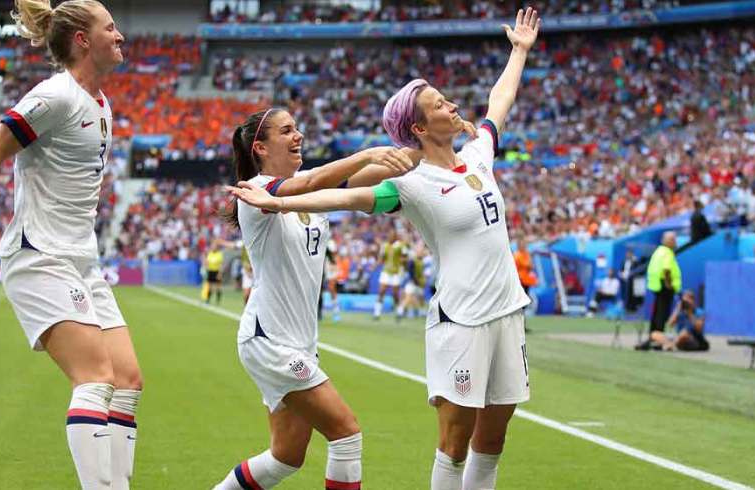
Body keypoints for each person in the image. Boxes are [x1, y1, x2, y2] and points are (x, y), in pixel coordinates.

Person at [228, 8, 540, 489]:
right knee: (430, 441)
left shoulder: (478, 154)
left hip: (507, 311)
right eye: (439, 103)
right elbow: (347, 194)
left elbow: (499, 102)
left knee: (491, 441)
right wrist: (281, 201)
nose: (452, 105)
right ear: (419, 127)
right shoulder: (408, 183)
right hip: (460, 318)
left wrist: (518, 51)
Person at [0, 2, 141, 488]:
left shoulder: (101, 105)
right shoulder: (54, 96)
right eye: (110, 28)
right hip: (40, 256)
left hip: (82, 261)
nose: (120, 35)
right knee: (95, 378)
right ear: (83, 40)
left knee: (127, 381)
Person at [214, 107, 419, 490]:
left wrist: (424, 149)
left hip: (298, 342)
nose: (298, 136)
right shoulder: (255, 189)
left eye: (297, 128)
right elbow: (311, 182)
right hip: (271, 341)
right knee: (346, 433)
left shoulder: (309, 188)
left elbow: (363, 178)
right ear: (260, 147)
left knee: (285, 457)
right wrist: (367, 153)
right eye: (286, 131)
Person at [638, 232, 682, 351]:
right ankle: (658, 340)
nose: (675, 242)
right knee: (662, 315)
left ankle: (653, 337)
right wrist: (669, 284)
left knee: (657, 314)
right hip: (665, 287)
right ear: (667, 241)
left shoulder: (658, 251)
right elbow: (666, 270)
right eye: (673, 239)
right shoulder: (667, 252)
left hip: (657, 286)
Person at [374, 230, 407, 321]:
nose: (390, 237)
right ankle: (377, 313)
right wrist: (375, 266)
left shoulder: (401, 246)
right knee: (381, 291)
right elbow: (381, 258)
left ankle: (399, 311)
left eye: (392, 235)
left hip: (396, 272)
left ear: (395, 237)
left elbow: (405, 257)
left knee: (395, 294)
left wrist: (402, 260)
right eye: (389, 235)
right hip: (386, 271)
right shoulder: (385, 246)